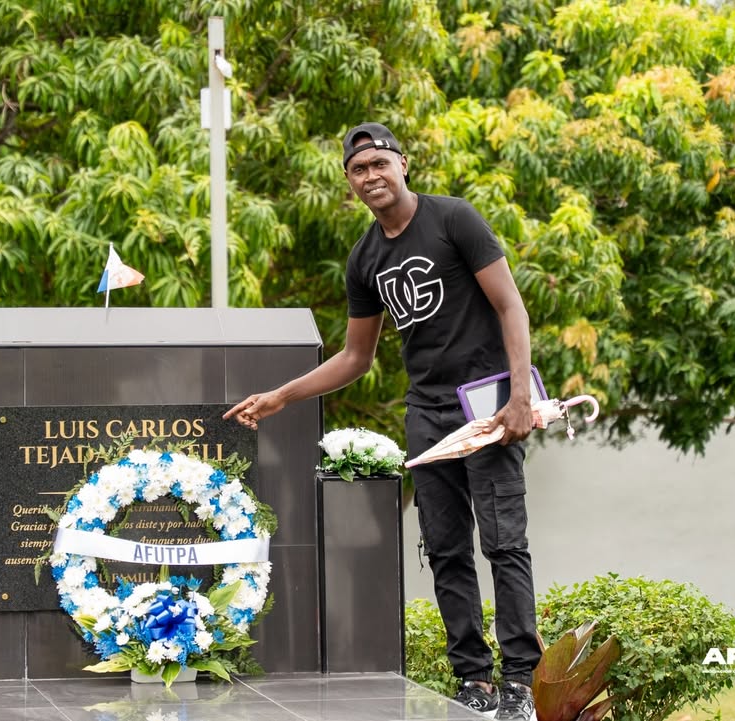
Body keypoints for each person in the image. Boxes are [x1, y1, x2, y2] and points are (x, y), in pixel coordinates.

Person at [224, 122, 540, 721]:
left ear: (402, 164)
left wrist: (518, 395)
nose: (371, 176)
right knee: (445, 549)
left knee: (504, 542)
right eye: (358, 169)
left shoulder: (454, 220)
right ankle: (474, 681)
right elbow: (355, 357)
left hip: (487, 401)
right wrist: (281, 396)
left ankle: (520, 684)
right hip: (426, 412)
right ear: (349, 182)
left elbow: (509, 304)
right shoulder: (365, 259)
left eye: (379, 163)